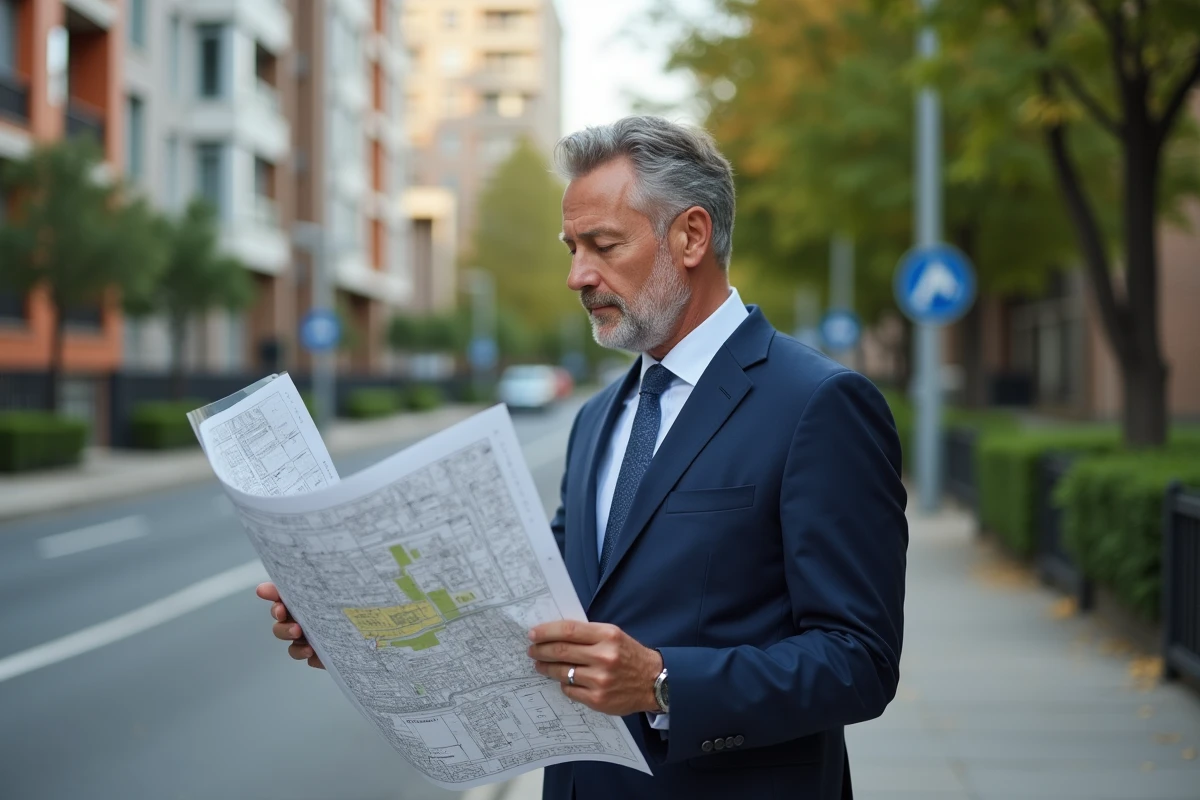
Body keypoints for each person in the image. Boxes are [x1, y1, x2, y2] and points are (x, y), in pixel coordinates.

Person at [257, 116, 908, 800]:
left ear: (691, 236)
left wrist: (663, 683)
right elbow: (538, 608)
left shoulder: (819, 404)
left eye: (603, 245)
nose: (577, 276)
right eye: (572, 248)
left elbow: (860, 661)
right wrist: (362, 632)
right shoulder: (597, 418)